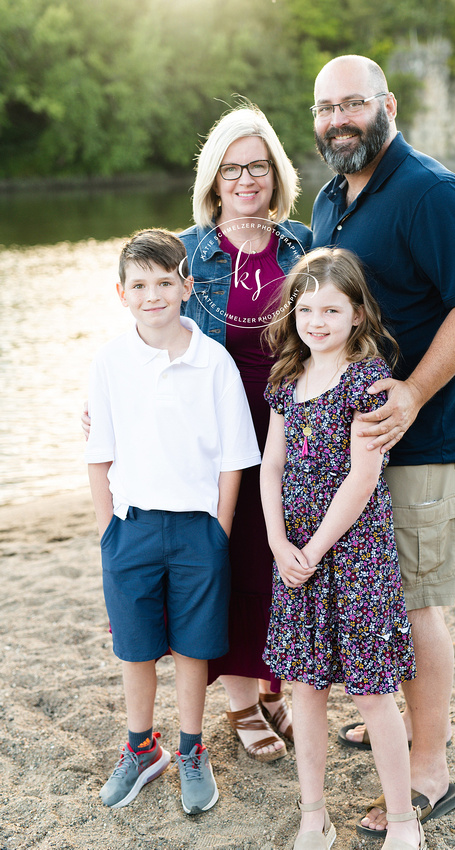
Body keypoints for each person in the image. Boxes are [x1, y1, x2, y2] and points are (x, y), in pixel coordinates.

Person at [309, 55, 455, 835]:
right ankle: (395, 721)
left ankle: (429, 772)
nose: (337, 120)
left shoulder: (430, 191)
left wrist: (413, 393)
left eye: (352, 104)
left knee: (418, 605)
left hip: (424, 445)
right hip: (360, 453)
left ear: (385, 104)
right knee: (377, 595)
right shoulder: (333, 199)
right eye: (325, 108)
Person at [84, 229, 261, 814]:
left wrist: (220, 530)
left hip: (197, 531)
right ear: (122, 293)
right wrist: (108, 530)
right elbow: (99, 453)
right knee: (135, 648)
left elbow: (236, 458)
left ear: (188, 285)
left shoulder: (214, 361)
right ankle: (141, 748)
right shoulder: (110, 362)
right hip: (131, 528)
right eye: (140, 284)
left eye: (165, 282)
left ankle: (190, 748)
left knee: (193, 647)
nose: (153, 294)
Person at [260, 247, 425, 850]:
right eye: (306, 308)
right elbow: (271, 464)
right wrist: (280, 542)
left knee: (373, 691)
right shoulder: (285, 378)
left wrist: (317, 547)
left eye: (332, 309)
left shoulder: (366, 379)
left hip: (354, 555)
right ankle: (313, 815)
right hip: (295, 559)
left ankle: (404, 820)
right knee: (305, 688)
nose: (317, 321)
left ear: (357, 314)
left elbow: (362, 475)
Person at [178, 105, 312, 760]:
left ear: (276, 174)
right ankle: (239, 703)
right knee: (230, 564)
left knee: (281, 564)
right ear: (213, 180)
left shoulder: (303, 244)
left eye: (257, 166)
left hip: (294, 433)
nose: (245, 179)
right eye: (231, 168)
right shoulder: (188, 253)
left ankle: (274, 685)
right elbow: (150, 339)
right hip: (219, 440)